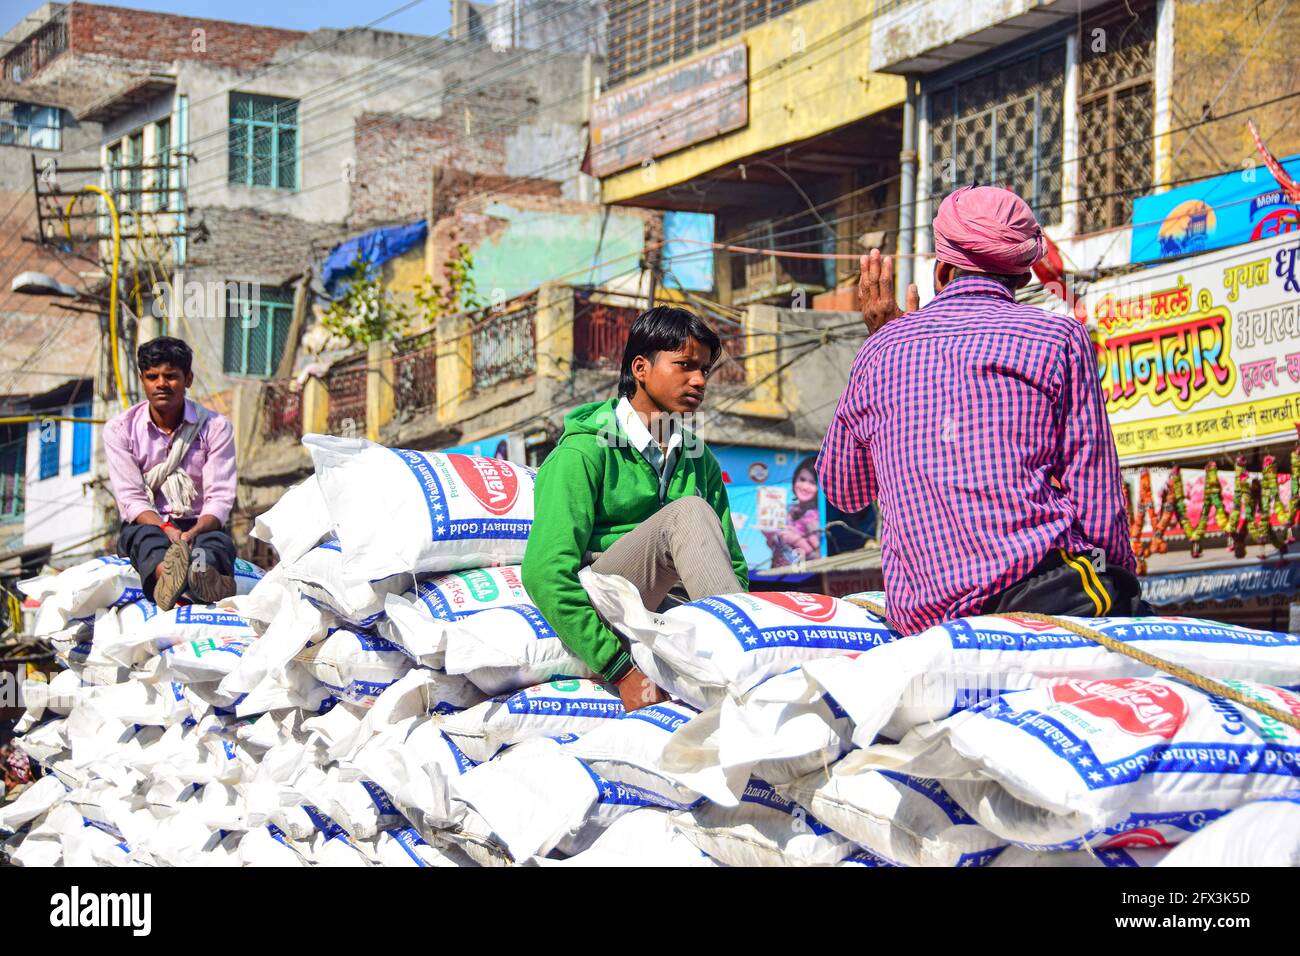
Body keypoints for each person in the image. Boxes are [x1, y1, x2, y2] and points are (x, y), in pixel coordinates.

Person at [818, 185, 1144, 635]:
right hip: (1044, 593)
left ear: (941, 270)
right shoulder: (1060, 339)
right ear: (1023, 278)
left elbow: (843, 492)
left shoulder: (879, 350)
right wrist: (1120, 581)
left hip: (924, 620)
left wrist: (886, 343)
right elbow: (1096, 500)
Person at [522, 306, 749, 712]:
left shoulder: (700, 459)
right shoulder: (582, 452)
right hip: (610, 605)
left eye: (704, 371)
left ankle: (745, 657)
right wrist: (621, 669)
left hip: (677, 620)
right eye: (684, 365)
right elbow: (544, 574)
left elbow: (735, 566)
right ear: (641, 368)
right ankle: (746, 663)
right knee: (689, 513)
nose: (698, 380)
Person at [103, 337, 238, 611]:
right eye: (152, 377)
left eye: (171, 376)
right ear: (143, 380)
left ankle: (201, 578)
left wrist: (191, 533)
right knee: (144, 541)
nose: (161, 384)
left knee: (214, 544)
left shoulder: (215, 427)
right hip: (150, 523)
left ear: (188, 379)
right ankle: (168, 577)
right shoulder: (120, 430)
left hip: (198, 525)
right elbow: (131, 499)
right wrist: (166, 529)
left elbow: (220, 498)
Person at [763, 456, 822, 568]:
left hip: (803, 578)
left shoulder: (814, 516)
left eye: (812, 483)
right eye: (802, 479)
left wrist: (796, 540)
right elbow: (779, 549)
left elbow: (820, 556)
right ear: (795, 480)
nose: (805, 486)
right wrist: (770, 535)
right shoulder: (788, 510)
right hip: (778, 574)